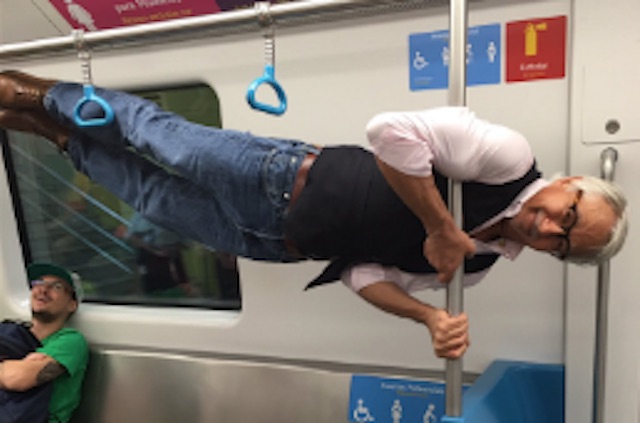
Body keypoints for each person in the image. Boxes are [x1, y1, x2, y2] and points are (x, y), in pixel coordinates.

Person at [0, 70, 628, 359]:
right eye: (569, 216)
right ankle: (41, 94)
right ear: (569, 184)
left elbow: (362, 274)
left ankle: (61, 137)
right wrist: (441, 227)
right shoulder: (508, 160)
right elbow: (390, 132)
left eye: (562, 245)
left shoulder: (478, 266)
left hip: (276, 241)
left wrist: (429, 316)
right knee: (163, 139)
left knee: (150, 198)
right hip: (281, 176)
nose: (551, 229)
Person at [0, 262, 89, 423]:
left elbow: (16, 377)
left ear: (72, 305)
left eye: (56, 287)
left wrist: (16, 369)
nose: (43, 290)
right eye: (38, 283)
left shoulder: (70, 341)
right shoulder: (10, 331)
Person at [115, 212, 195, 297]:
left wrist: (185, 281)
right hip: (150, 263)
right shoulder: (142, 215)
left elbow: (184, 244)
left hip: (169, 264)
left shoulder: (174, 216)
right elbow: (134, 237)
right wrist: (153, 249)